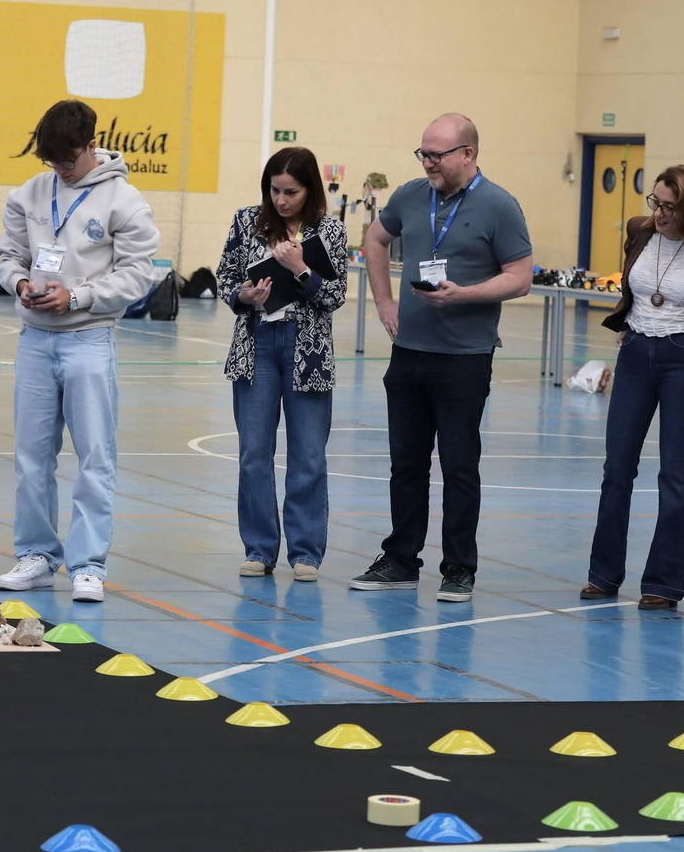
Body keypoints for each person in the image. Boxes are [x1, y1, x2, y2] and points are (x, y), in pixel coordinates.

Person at [349, 113, 533, 601]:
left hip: (464, 358)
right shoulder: (411, 195)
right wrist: (384, 301)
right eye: (423, 153)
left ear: (468, 154)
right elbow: (374, 240)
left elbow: (520, 276)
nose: (428, 162)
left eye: (437, 154)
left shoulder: (499, 205)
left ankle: (459, 568)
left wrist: (464, 295)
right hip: (409, 353)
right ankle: (401, 559)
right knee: (406, 463)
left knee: (458, 464)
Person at [0, 99, 159, 603]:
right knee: (31, 456)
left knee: (95, 456)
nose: (60, 170)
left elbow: (137, 275)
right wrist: (19, 283)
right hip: (36, 342)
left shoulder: (125, 202)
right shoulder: (29, 194)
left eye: (68, 160)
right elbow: (9, 256)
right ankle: (37, 555)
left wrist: (79, 296)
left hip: (89, 341)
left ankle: (87, 564)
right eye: (51, 163)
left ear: (91, 146)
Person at [582, 166, 684, 609]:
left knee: (674, 471)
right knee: (617, 470)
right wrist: (629, 321)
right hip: (634, 355)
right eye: (656, 202)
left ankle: (663, 584)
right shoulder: (639, 231)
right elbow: (636, 284)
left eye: (670, 206)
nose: (660, 213)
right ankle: (603, 574)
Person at [217, 147, 347, 582]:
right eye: (274, 190)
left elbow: (333, 297)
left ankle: (306, 552)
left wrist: (302, 270)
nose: (280, 200)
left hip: (307, 349)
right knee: (254, 452)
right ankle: (259, 547)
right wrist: (244, 296)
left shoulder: (329, 230)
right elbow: (225, 278)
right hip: (256, 346)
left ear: (309, 190)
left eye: (290, 192)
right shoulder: (245, 221)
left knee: (308, 454)